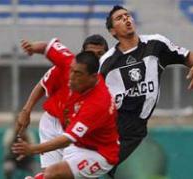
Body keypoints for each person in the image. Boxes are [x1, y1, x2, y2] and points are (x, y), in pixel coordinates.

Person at [99, 5, 193, 178]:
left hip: (137, 131)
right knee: (82, 170)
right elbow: (92, 94)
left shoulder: (155, 44)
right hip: (111, 130)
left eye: (128, 15)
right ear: (112, 31)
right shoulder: (107, 63)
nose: (126, 19)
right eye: (119, 18)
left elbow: (184, 55)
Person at [12, 51, 119, 179]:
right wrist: (33, 47)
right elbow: (48, 47)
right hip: (74, 140)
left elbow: (67, 139)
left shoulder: (98, 103)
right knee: (53, 174)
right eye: (72, 71)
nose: (71, 76)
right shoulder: (69, 65)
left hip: (100, 154)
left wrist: (32, 149)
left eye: (77, 73)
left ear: (93, 75)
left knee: (54, 173)